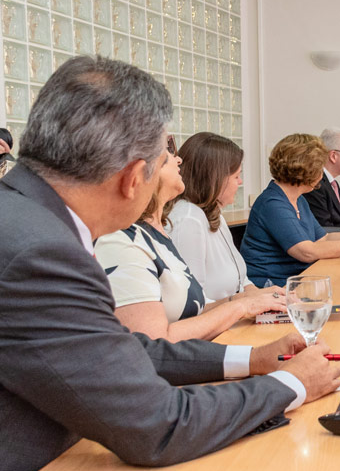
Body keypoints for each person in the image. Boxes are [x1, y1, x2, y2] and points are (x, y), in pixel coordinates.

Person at [0, 55, 340, 471]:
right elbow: (156, 424)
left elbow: (114, 353)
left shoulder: (24, 215)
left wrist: (252, 362)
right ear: (132, 178)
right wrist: (292, 384)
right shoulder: (40, 252)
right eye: (164, 159)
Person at [95, 136, 283, 341]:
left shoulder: (160, 230)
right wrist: (241, 306)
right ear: (137, 174)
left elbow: (195, 306)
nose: (179, 161)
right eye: (167, 156)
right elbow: (154, 343)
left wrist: (249, 300)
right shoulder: (173, 223)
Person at [240, 133, 340, 287]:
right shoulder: (272, 204)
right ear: (305, 170)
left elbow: (324, 239)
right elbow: (307, 252)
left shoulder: (298, 199)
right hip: (273, 288)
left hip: (299, 282)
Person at [167, 132, 280, 301]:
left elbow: (242, 281)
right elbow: (193, 304)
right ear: (215, 179)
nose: (240, 182)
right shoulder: (188, 220)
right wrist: (248, 303)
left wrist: (271, 297)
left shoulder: (213, 213)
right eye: (236, 176)